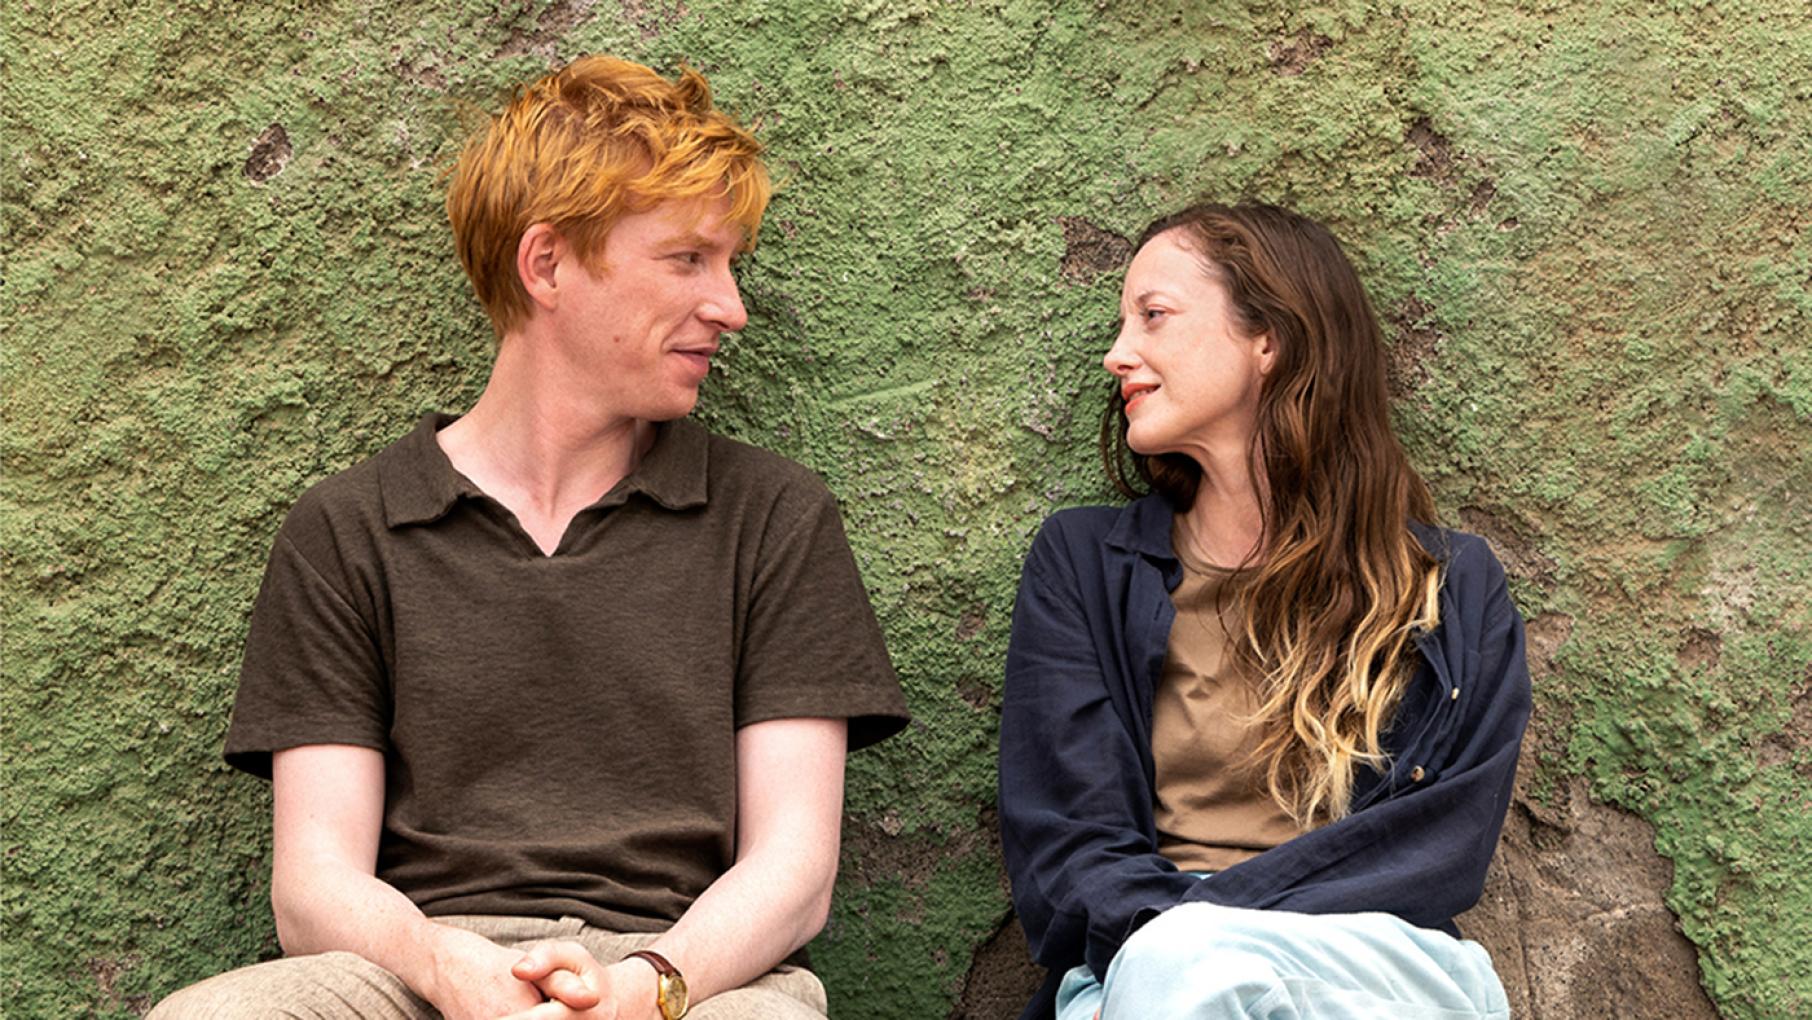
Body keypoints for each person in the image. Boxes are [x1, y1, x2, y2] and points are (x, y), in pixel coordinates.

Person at [151, 56, 908, 1020]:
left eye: (731, 265)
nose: (730, 306)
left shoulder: (771, 516)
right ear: (546, 263)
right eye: (688, 259)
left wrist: (645, 990)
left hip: (691, 977)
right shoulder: (350, 529)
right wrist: (446, 971)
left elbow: (796, 870)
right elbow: (311, 887)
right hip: (416, 972)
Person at [998, 202, 1530, 1019]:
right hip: (1140, 954)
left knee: (1184, 964)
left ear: (1268, 341)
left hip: (1372, 961)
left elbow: (1442, 846)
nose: (1117, 354)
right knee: (1178, 973)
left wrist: (1209, 923)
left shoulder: (1451, 588)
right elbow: (1069, 843)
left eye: (1154, 316)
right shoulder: (1082, 564)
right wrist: (1176, 939)